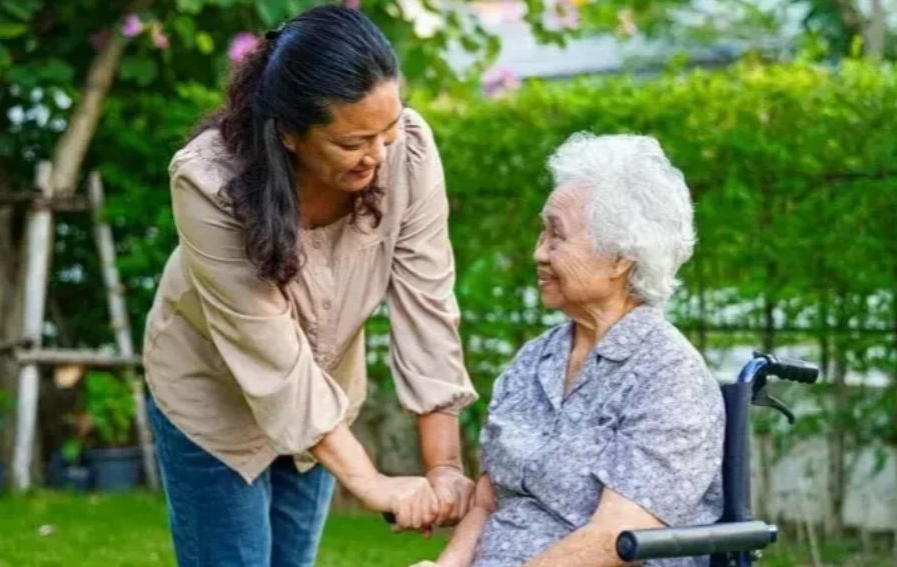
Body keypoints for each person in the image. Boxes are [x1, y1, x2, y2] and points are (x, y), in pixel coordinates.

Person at [141, 5, 479, 567]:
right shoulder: (208, 183)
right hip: (213, 397)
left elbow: (428, 308)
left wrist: (443, 466)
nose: (378, 156)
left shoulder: (407, 154)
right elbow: (272, 360)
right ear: (289, 134)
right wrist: (371, 483)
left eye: (387, 132)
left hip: (325, 396)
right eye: (353, 142)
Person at [410, 133, 725, 567]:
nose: (538, 252)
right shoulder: (535, 360)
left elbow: (612, 539)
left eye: (556, 237)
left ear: (620, 258)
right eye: (543, 232)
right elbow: (486, 504)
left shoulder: (670, 378)